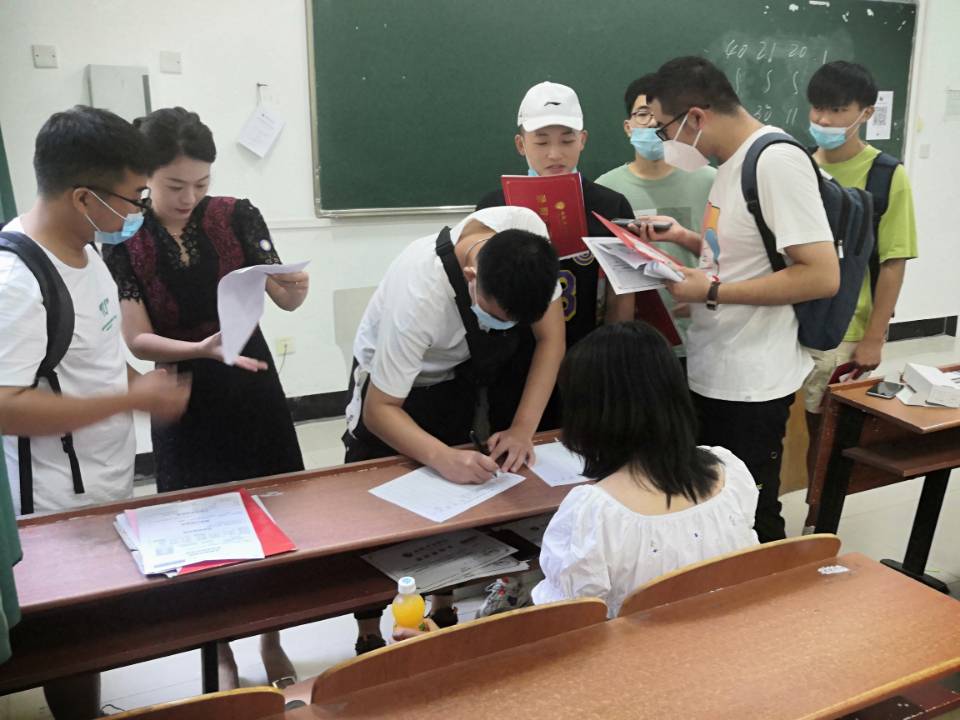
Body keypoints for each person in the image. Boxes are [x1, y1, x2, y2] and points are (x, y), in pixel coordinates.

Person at [102, 107, 307, 689]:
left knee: (274, 512)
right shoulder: (125, 235)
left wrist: (295, 286)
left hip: (250, 381)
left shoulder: (237, 215)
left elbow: (285, 297)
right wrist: (200, 350)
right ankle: (218, 647)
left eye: (201, 183)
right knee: (194, 527)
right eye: (174, 186)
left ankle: (272, 635)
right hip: (181, 390)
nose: (189, 197)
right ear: (146, 177)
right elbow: (137, 339)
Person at [0, 106, 189, 719]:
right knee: (71, 638)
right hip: (52, 505)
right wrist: (133, 399)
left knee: (94, 629)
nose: (140, 212)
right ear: (84, 197)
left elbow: (96, 358)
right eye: (134, 197)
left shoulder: (88, 253)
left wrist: (142, 382)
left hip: (104, 480)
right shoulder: (16, 281)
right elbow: (5, 407)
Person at [635, 57, 840, 543]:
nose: (664, 141)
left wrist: (712, 291)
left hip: (752, 382)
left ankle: (773, 589)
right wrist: (684, 238)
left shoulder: (775, 161)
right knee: (717, 510)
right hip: (717, 364)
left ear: (696, 118)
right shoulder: (731, 164)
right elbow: (745, 256)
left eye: (664, 129)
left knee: (752, 515)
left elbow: (821, 275)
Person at [344, 205, 564, 653]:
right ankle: (368, 629)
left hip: (456, 376)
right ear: (470, 276)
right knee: (376, 510)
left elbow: (551, 339)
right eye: (496, 316)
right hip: (393, 389)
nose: (504, 328)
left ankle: (443, 606)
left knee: (454, 507)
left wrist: (523, 429)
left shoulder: (527, 240)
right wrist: (442, 457)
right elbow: (380, 410)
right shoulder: (419, 295)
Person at [530, 321, 761, 617]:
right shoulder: (728, 471)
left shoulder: (594, 511)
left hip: (641, 648)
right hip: (731, 636)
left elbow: (567, 621)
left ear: (589, 414)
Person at [800, 61, 917, 519]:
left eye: (837, 110)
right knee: (784, 429)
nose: (823, 119)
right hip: (788, 321)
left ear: (866, 113)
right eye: (817, 108)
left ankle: (818, 520)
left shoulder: (886, 175)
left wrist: (874, 337)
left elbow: (893, 262)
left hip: (845, 328)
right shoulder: (797, 165)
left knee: (825, 433)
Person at [477, 81, 636, 349]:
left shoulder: (611, 206)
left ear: (582, 140)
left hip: (589, 352)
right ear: (520, 144)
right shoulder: (493, 209)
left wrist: (613, 355)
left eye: (567, 140)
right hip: (513, 356)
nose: (554, 154)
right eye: (541, 141)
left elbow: (621, 295)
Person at [596, 73, 716, 362]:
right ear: (628, 127)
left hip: (703, 338)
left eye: (659, 116)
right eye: (642, 114)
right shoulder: (606, 190)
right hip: (634, 343)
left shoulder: (710, 180)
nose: (651, 123)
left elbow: (731, 258)